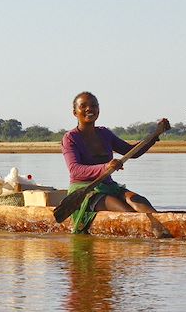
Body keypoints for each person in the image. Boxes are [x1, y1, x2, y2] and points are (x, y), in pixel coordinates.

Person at [62, 91, 170, 233]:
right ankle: (148, 232)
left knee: (139, 201)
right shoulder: (70, 138)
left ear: (98, 110)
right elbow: (75, 169)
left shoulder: (104, 133)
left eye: (94, 105)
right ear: (75, 112)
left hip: (108, 186)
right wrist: (106, 167)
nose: (89, 109)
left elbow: (132, 151)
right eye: (83, 106)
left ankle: (167, 226)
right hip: (85, 189)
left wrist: (155, 135)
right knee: (125, 211)